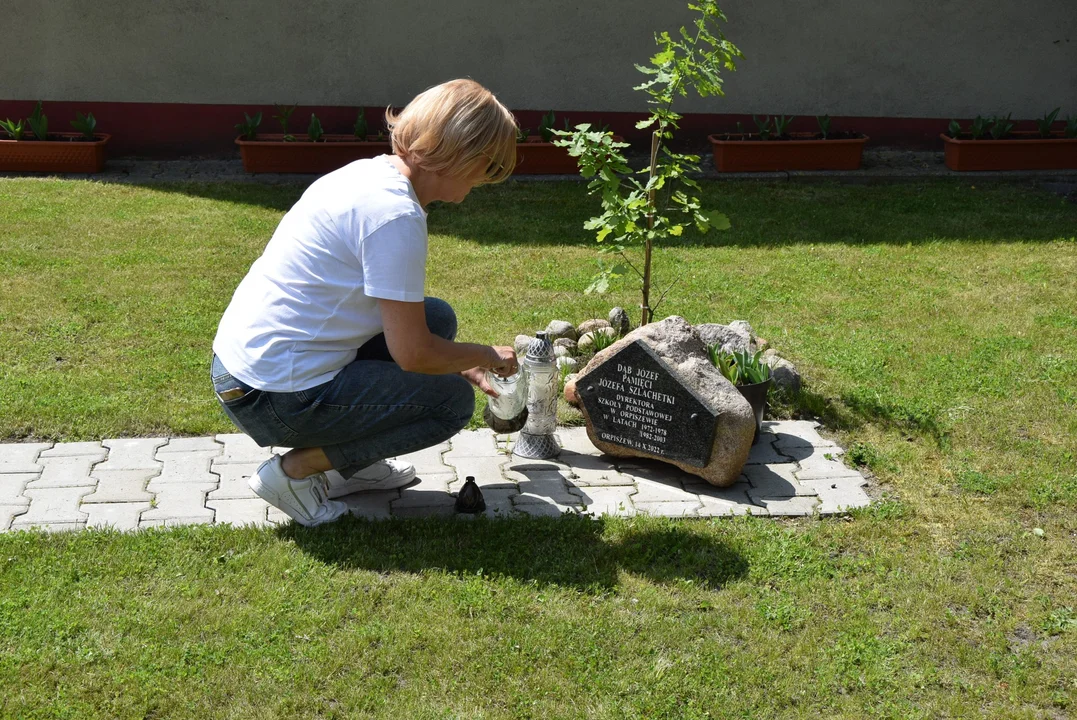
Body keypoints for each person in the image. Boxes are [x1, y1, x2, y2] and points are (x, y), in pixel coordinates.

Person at [210, 79, 519, 527]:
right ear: (460, 153)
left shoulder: (370, 174)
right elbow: (412, 354)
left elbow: (408, 333)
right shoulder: (394, 217)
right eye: (488, 164)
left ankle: (349, 466)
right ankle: (293, 473)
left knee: (437, 318)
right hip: (272, 397)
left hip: (245, 371)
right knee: (448, 402)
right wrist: (483, 356)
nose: (486, 178)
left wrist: (458, 358)